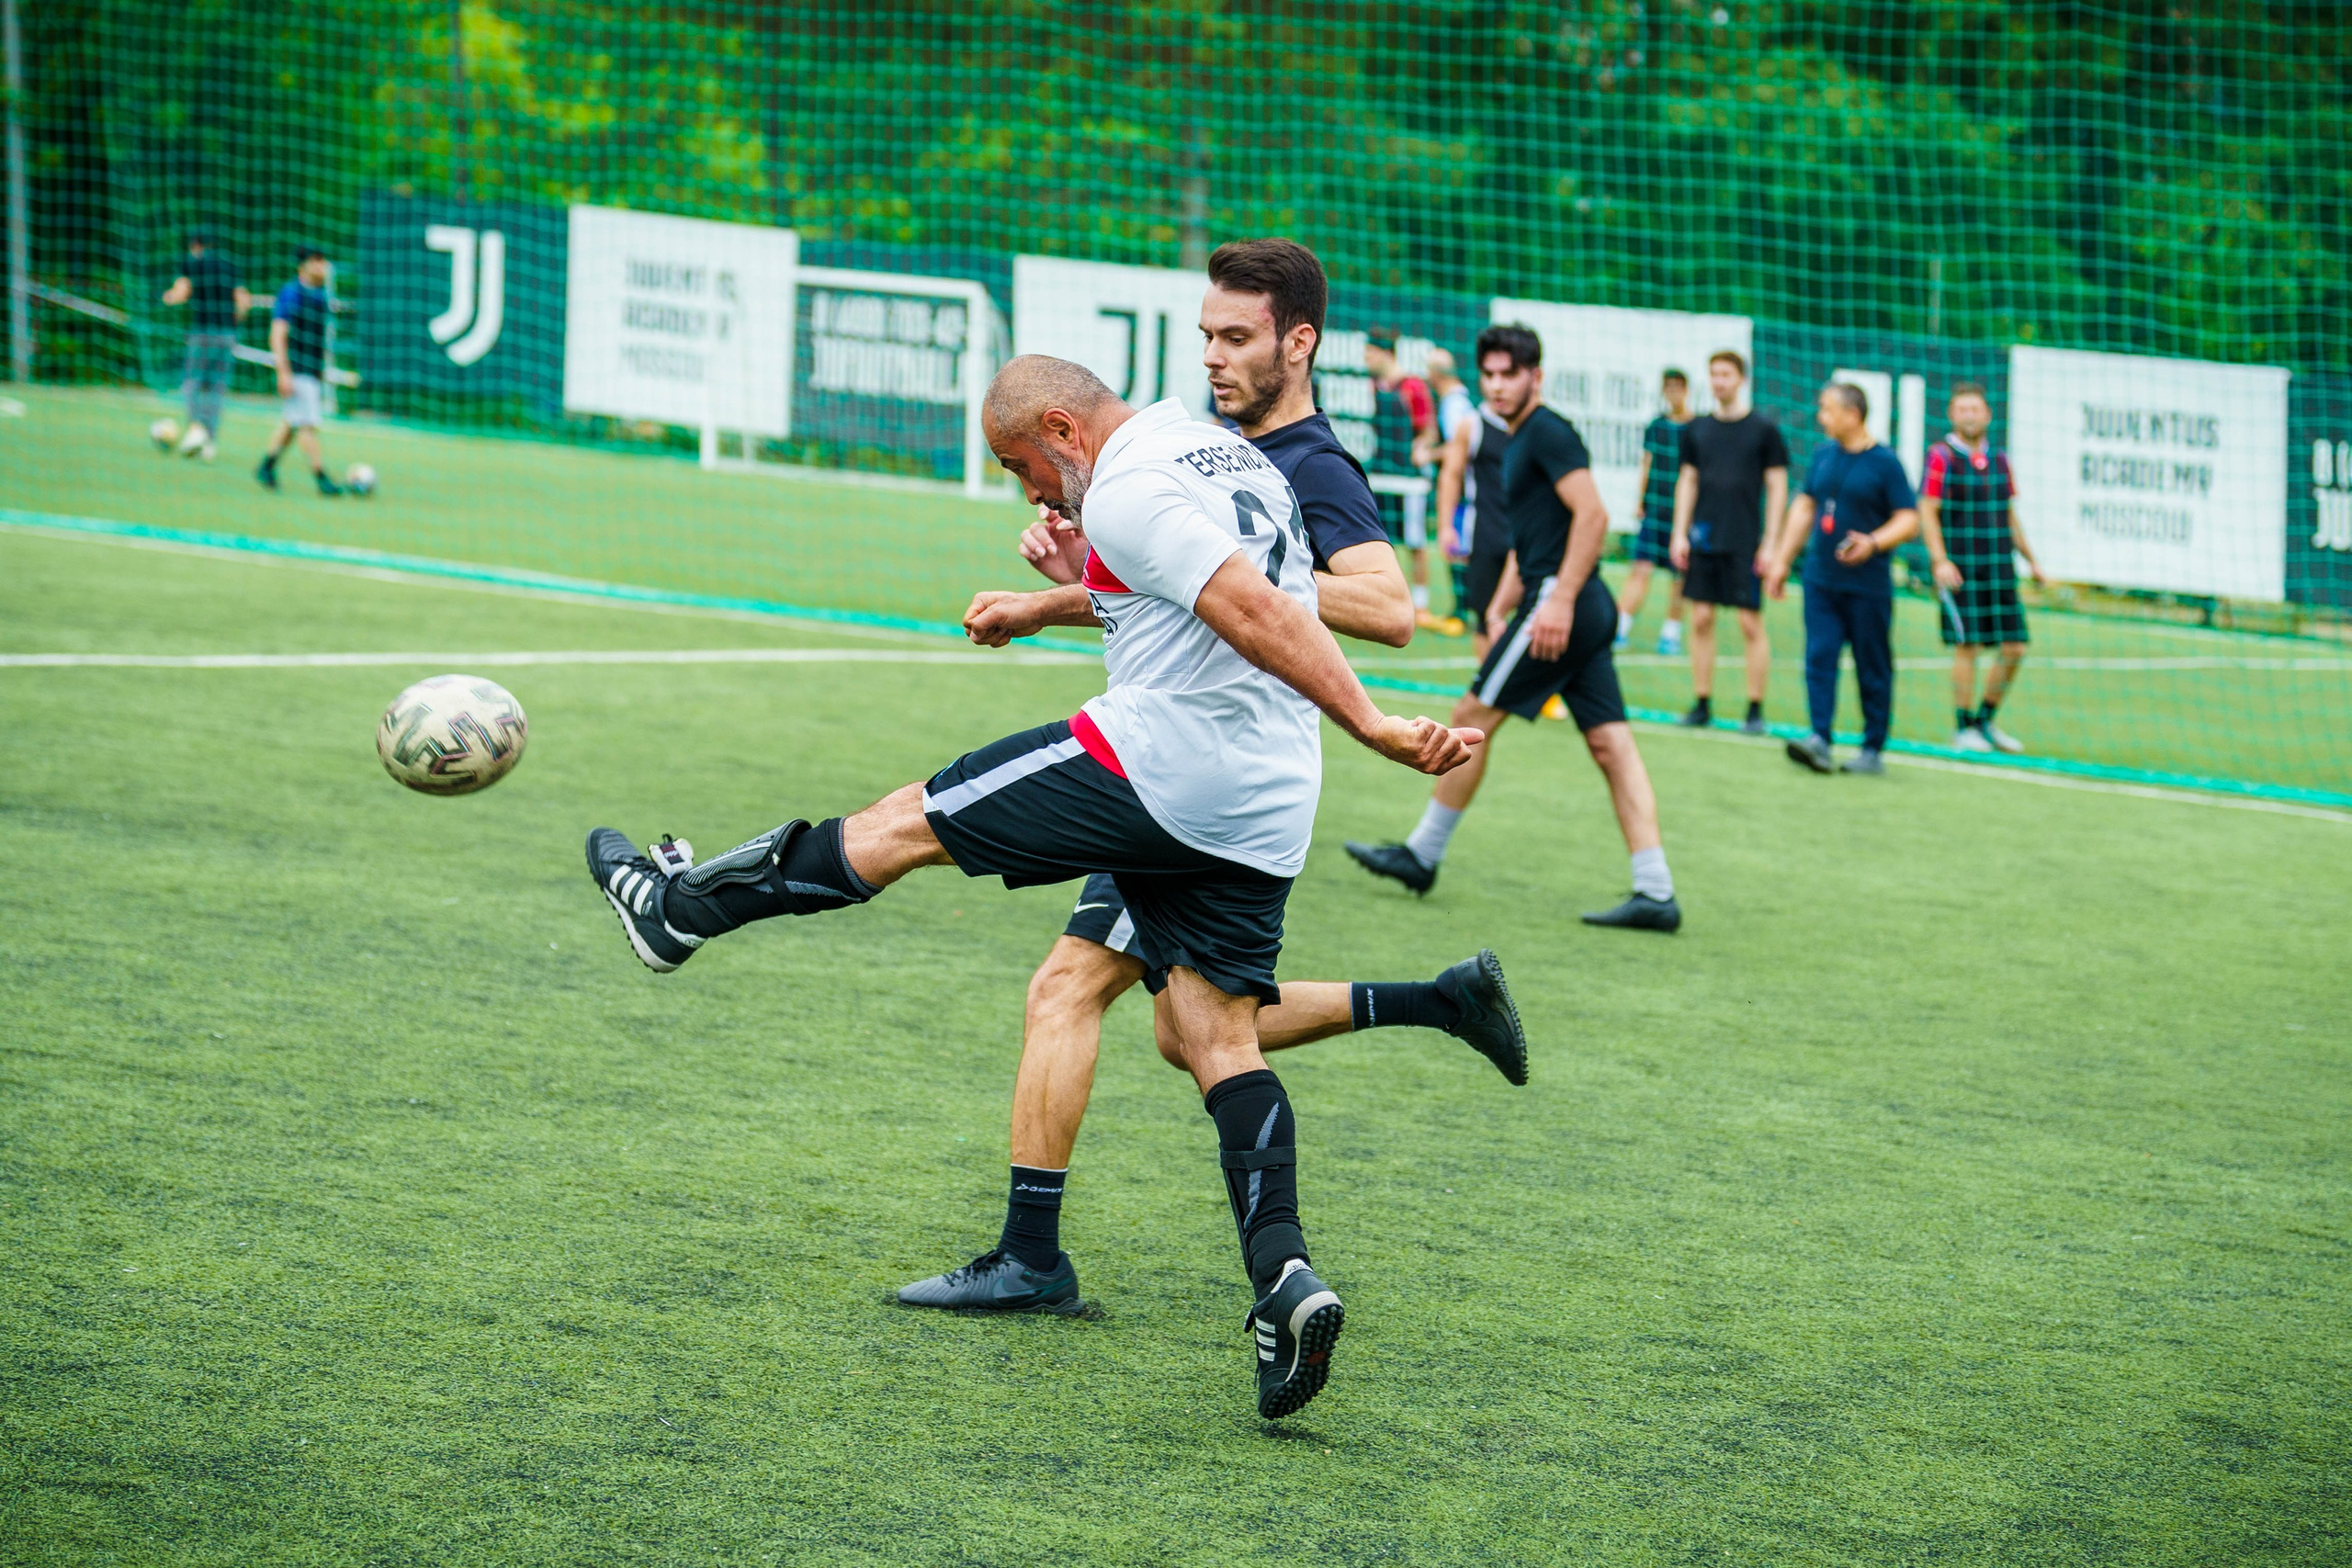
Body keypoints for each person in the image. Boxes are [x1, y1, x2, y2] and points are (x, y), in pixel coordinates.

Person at [584, 354, 1481, 1419]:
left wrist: (1375, 722)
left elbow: (1255, 610)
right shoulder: (1208, 447)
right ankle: (1285, 1282)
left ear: (1061, 425)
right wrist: (1067, 588)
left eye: (1021, 465)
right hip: (1265, 800)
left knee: (901, 823)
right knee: (1212, 1034)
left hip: (1164, 764)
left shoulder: (1133, 483)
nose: (1027, 489)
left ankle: (675, 916)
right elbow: (1196, 595)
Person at [898, 239, 1528, 1322]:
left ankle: (1029, 1256)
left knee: (1082, 995)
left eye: (1237, 338)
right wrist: (1062, 590)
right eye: (1205, 336)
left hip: (1208, 776)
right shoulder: (1205, 445)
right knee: (1186, 1030)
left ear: (1300, 343)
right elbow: (1177, 584)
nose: (1214, 357)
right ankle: (1438, 1000)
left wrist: (1247, 576)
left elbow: (1385, 607)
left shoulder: (1309, 464)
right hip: (1189, 757)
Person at [1343, 323, 1681, 933]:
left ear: (1536, 376)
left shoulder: (1548, 432)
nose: (1498, 386)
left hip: (1564, 608)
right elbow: (1534, 543)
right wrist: (1500, 603)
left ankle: (1422, 854)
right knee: (1611, 744)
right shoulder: (1515, 438)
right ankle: (1656, 890)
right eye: (1490, 375)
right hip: (1572, 605)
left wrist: (1557, 602)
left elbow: (1593, 516)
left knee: (1471, 713)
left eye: (1510, 374)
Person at [1762, 381, 1919, 775]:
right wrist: (1782, 560)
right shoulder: (1823, 456)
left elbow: (1909, 519)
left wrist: (1873, 542)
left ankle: (1872, 749)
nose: (1821, 417)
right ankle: (1819, 739)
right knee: (1819, 655)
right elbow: (1804, 507)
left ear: (1853, 414)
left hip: (1867, 585)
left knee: (1872, 663)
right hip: (1820, 580)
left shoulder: (1885, 462)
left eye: (1828, 409)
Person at [1669, 351, 1788, 736]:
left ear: (1741, 379)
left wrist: (1770, 542)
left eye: (1726, 374)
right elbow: (1687, 480)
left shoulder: (1764, 430)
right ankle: (1702, 702)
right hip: (1704, 536)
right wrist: (1679, 532)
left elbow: (1777, 487)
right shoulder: (1698, 428)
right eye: (1714, 374)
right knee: (1700, 618)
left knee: (1749, 623)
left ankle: (1755, 709)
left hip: (1745, 541)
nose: (1719, 381)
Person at [1919, 381, 2042, 753]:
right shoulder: (1941, 456)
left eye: (1976, 408)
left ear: (1988, 415)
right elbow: (1927, 509)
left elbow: (2008, 515)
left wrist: (2033, 561)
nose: (1970, 415)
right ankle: (1962, 727)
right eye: (1962, 409)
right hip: (1961, 568)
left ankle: (1984, 721)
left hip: (1999, 567)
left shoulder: (2000, 460)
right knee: (1967, 645)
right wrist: (1939, 560)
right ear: (1952, 415)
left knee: (2015, 647)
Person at [1363, 328, 1443, 630]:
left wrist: (1421, 449)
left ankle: (1420, 605)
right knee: (1381, 542)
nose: (1365, 359)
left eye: (1369, 353)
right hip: (1381, 475)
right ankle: (1385, 601)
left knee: (1415, 541)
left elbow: (1430, 431)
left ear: (1385, 354)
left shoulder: (1412, 386)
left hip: (1409, 480)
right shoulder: (1374, 385)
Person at [1433, 374, 1516, 662]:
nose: (1498, 383)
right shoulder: (1474, 424)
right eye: (1490, 375)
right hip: (1486, 533)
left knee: (1534, 615)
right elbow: (1452, 474)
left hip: (1528, 536)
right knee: (1485, 616)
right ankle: (1487, 686)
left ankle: (1541, 691)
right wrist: (1445, 527)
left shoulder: (1537, 426)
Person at [255, 247, 344, 496]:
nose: (323, 266)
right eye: (317, 262)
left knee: (292, 422)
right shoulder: (292, 293)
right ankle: (322, 478)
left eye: (324, 261)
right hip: (296, 370)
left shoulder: (321, 296)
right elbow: (278, 334)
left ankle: (267, 465)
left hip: (312, 371)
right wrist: (283, 372)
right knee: (307, 425)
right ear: (303, 266)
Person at [158, 231, 252, 460]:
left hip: (202, 333)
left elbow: (181, 293)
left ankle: (195, 431)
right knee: (216, 388)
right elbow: (244, 301)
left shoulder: (193, 263)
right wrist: (233, 320)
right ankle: (209, 441)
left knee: (193, 382)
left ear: (195, 245)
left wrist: (167, 297)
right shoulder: (229, 265)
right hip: (226, 335)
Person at [1618, 368, 1692, 653]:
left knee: (1680, 575)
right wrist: (1640, 500)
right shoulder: (1657, 426)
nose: (1673, 393)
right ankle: (1620, 628)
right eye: (1668, 388)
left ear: (1686, 390)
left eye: (1678, 387)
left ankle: (1671, 633)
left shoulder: (1695, 428)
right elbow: (1646, 463)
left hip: (1684, 515)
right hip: (1656, 510)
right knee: (1641, 568)